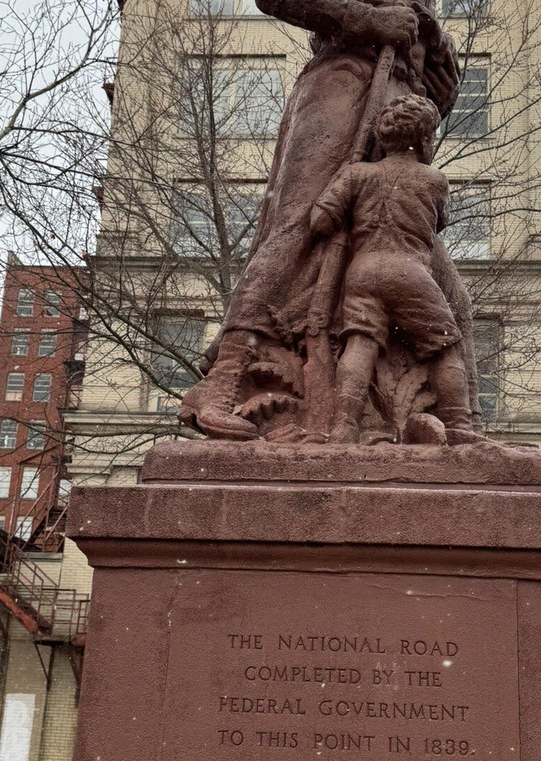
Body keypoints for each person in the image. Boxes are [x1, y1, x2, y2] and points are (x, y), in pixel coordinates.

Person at [179, 0, 479, 440]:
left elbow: (435, 87)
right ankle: (224, 382)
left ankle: (449, 421)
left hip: (400, 98)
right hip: (347, 83)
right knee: (299, 229)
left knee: (450, 291)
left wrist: (435, 57)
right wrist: (370, 20)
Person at [309, 95, 482, 444]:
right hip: (409, 272)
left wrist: (347, 189)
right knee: (446, 344)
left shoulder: (357, 174)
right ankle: (460, 424)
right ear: (423, 139)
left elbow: (319, 222)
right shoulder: (434, 180)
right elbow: (440, 223)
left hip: (362, 272)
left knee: (360, 343)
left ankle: (344, 424)